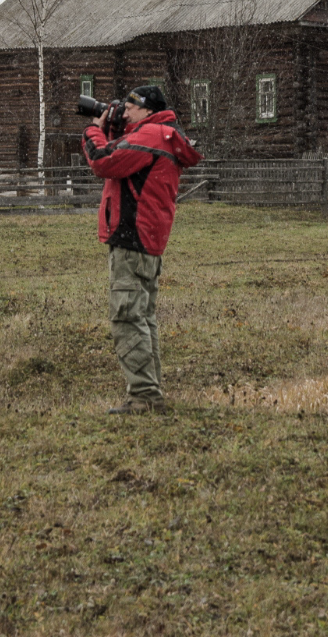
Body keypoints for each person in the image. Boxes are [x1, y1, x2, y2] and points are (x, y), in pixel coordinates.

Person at [82, 85, 203, 415]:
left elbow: (104, 161)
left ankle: (145, 397)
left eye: (131, 108)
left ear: (149, 111)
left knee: (127, 316)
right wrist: (111, 129)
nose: (125, 113)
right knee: (142, 318)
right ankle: (149, 391)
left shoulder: (150, 135)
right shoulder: (161, 135)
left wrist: (94, 129)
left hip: (132, 238)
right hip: (146, 241)